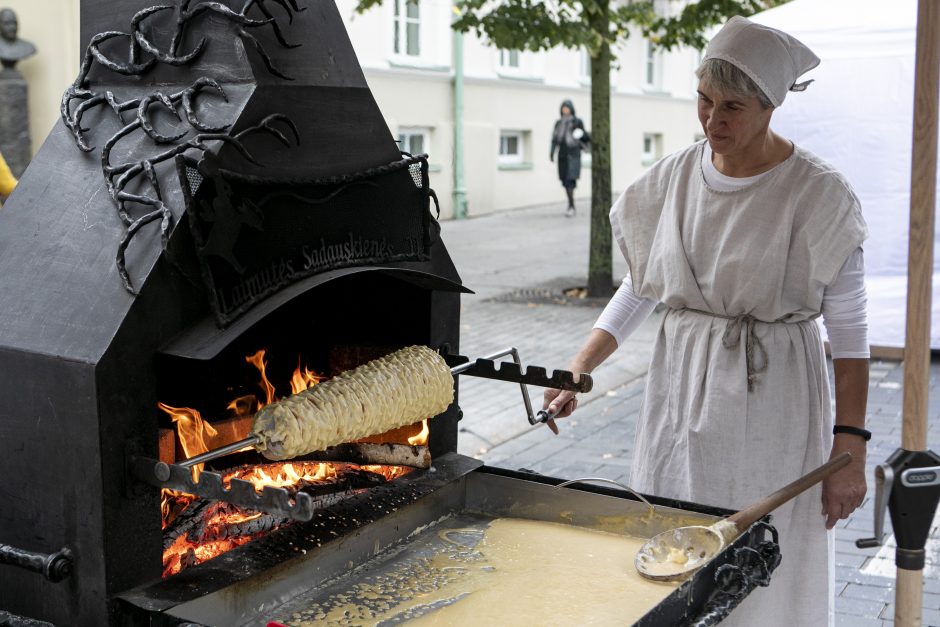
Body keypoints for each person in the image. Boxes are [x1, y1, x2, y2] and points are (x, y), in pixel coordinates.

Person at [543, 16, 868, 627]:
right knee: (675, 538)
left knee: (768, 553)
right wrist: (579, 368)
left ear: (770, 107)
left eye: (733, 107)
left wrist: (850, 443)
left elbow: (849, 330)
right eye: (704, 101)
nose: (713, 121)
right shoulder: (671, 180)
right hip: (681, 388)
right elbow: (641, 287)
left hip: (778, 397)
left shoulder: (819, 195)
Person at [550, 100, 589, 217]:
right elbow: (554, 139)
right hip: (562, 155)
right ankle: (570, 204)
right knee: (564, 181)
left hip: (573, 155)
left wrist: (579, 132)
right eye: (563, 108)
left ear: (571, 109)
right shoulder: (558, 123)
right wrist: (551, 153)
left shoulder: (577, 121)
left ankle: (571, 206)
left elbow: (585, 137)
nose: (565, 110)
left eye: (567, 108)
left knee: (570, 181)